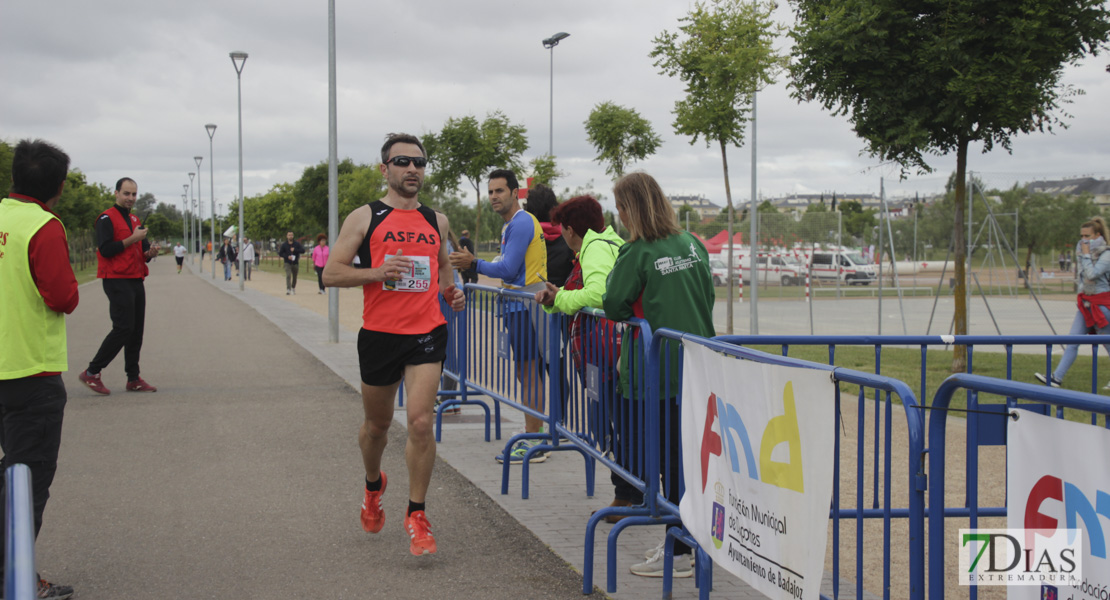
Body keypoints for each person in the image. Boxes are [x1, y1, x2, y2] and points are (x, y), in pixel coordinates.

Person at [322, 132, 464, 556]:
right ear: (385, 169)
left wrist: (451, 293)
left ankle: (416, 513)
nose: (413, 169)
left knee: (420, 422)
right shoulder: (364, 217)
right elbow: (331, 274)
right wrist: (377, 273)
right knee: (377, 428)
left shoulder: (437, 220)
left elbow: (444, 273)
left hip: (426, 333)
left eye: (419, 162)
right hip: (380, 335)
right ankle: (373, 484)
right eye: (402, 162)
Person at [602, 172, 715, 579]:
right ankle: (684, 540)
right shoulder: (692, 243)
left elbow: (613, 303)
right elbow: (709, 295)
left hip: (658, 372)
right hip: (699, 367)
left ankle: (681, 548)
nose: (619, 215)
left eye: (620, 207)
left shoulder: (638, 252)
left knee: (669, 462)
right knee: (688, 461)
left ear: (632, 208)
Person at [0, 138, 78, 600]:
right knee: (25, 485)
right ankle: (17, 580)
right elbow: (63, 297)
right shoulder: (44, 227)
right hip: (30, 373)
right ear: (60, 187)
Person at [533, 195, 625, 519]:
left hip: (604, 354)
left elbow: (599, 294)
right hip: (603, 352)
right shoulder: (604, 242)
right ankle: (628, 491)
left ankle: (627, 494)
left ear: (571, 229)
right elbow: (579, 294)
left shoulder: (595, 247)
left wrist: (563, 296)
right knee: (609, 423)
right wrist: (555, 298)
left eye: (564, 230)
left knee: (609, 425)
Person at [449, 169, 549, 464]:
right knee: (525, 373)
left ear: (515, 192)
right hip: (519, 305)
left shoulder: (520, 223)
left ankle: (535, 441)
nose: (493, 197)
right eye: (490, 192)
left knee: (530, 374)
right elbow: (508, 265)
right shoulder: (512, 225)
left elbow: (507, 270)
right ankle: (534, 435)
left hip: (527, 305)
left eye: (499, 191)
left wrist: (474, 262)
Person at [77, 177, 159, 395]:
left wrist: (150, 253)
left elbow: (142, 252)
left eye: (133, 194)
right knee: (123, 327)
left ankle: (133, 378)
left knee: (136, 330)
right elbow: (106, 250)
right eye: (126, 193)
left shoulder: (134, 219)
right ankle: (92, 372)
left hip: (135, 278)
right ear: (116, 193)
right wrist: (133, 239)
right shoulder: (106, 218)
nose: (130, 198)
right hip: (115, 278)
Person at [1035, 217, 1110, 389]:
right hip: (1086, 305)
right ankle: (1056, 378)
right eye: (1081, 236)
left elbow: (1092, 274)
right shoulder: (1083, 252)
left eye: (1087, 236)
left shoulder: (1106, 254)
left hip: (1102, 306)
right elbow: (1082, 280)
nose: (1083, 240)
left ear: (1097, 235)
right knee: (1072, 341)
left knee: (1107, 343)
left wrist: (1084, 255)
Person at [525, 184, 574, 287]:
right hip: (560, 299)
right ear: (554, 208)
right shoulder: (570, 241)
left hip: (529, 299)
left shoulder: (524, 240)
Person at [279, 231, 305, 295]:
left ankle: (293, 287)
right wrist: (287, 257)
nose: (290, 236)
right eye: (289, 235)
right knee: (288, 275)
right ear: (287, 236)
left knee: (295, 276)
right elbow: (280, 253)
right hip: (287, 262)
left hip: (295, 262)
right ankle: (288, 289)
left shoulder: (297, 244)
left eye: (291, 235)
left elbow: (303, 250)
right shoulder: (284, 245)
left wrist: (295, 250)